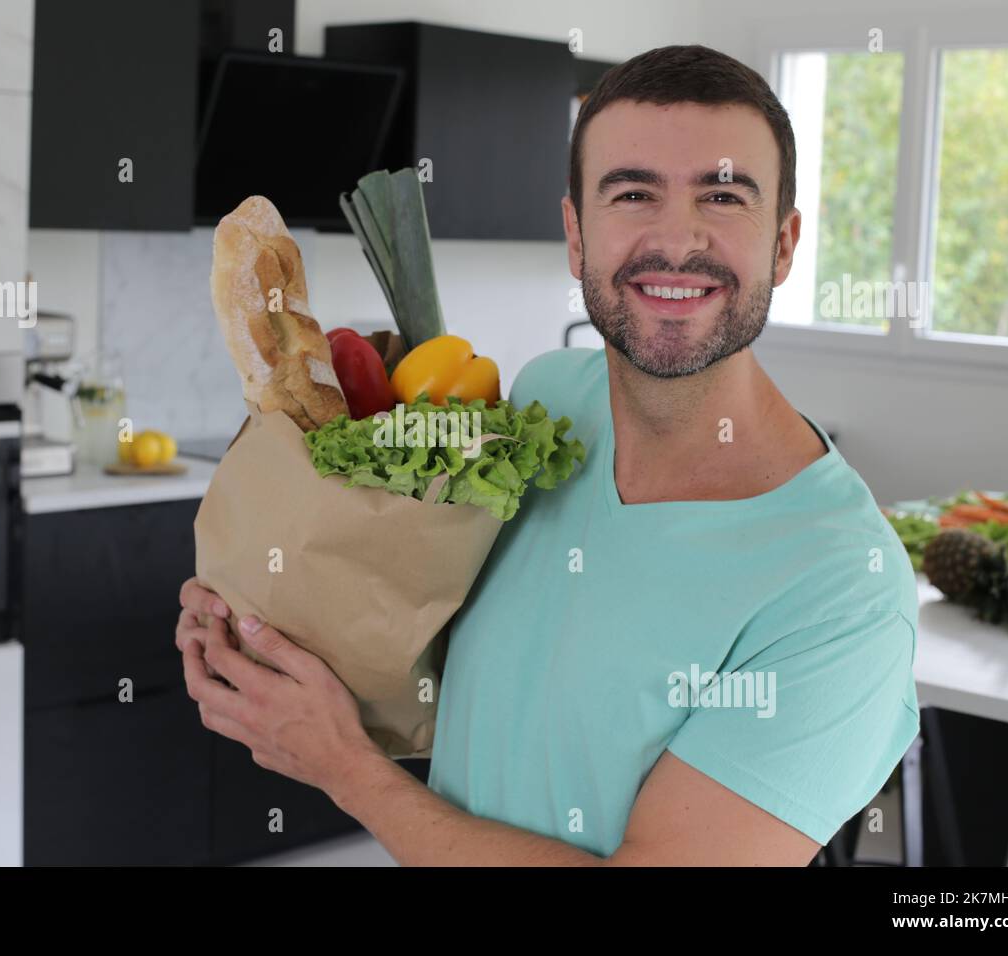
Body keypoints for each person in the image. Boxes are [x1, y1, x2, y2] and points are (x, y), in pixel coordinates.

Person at [175, 44, 919, 866]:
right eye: (633, 193)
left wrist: (348, 771)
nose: (678, 238)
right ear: (575, 235)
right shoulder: (546, 402)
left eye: (722, 193)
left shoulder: (843, 589)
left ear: (783, 245)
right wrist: (271, 632)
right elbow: (457, 668)